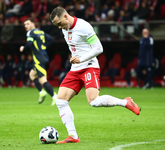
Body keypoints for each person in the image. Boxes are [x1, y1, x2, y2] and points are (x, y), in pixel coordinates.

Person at [50, 6, 140, 144]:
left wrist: (82, 58)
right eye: (56, 25)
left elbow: (99, 48)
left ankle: (125, 102)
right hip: (75, 69)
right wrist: (75, 58)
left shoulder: (83, 26)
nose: (59, 27)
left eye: (59, 23)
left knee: (93, 101)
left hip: (89, 67)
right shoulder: (64, 29)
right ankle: (73, 136)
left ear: (66, 17)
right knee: (61, 101)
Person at [20, 18, 57, 105]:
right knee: (32, 74)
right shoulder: (40, 32)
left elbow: (29, 44)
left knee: (43, 80)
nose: (26, 26)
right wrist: (43, 48)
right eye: (25, 25)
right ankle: (42, 92)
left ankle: (55, 97)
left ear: (33, 24)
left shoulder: (30, 32)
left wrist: (23, 48)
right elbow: (51, 40)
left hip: (39, 59)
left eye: (28, 24)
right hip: (44, 57)